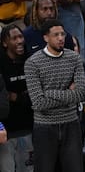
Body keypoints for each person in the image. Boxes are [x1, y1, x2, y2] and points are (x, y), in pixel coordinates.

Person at [24, 19, 85, 172]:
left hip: (71, 124)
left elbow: (80, 94)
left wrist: (49, 93)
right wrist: (68, 93)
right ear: (46, 38)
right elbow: (38, 102)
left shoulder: (74, 58)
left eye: (62, 34)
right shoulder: (33, 63)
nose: (60, 38)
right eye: (56, 35)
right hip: (44, 127)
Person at [0, 24, 34, 172]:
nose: (20, 41)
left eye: (21, 37)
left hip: (28, 128)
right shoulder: (1, 64)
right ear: (4, 43)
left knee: (27, 169)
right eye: (14, 38)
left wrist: (17, 98)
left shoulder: (31, 61)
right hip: (6, 131)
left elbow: (35, 94)